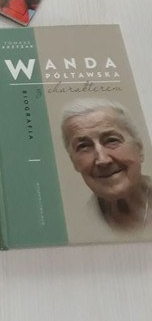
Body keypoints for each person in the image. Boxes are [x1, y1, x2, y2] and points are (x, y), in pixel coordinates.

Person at [61, 98, 152, 232]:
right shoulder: (78, 226)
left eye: (111, 140)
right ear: (74, 162)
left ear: (139, 148)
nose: (102, 160)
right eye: (84, 146)